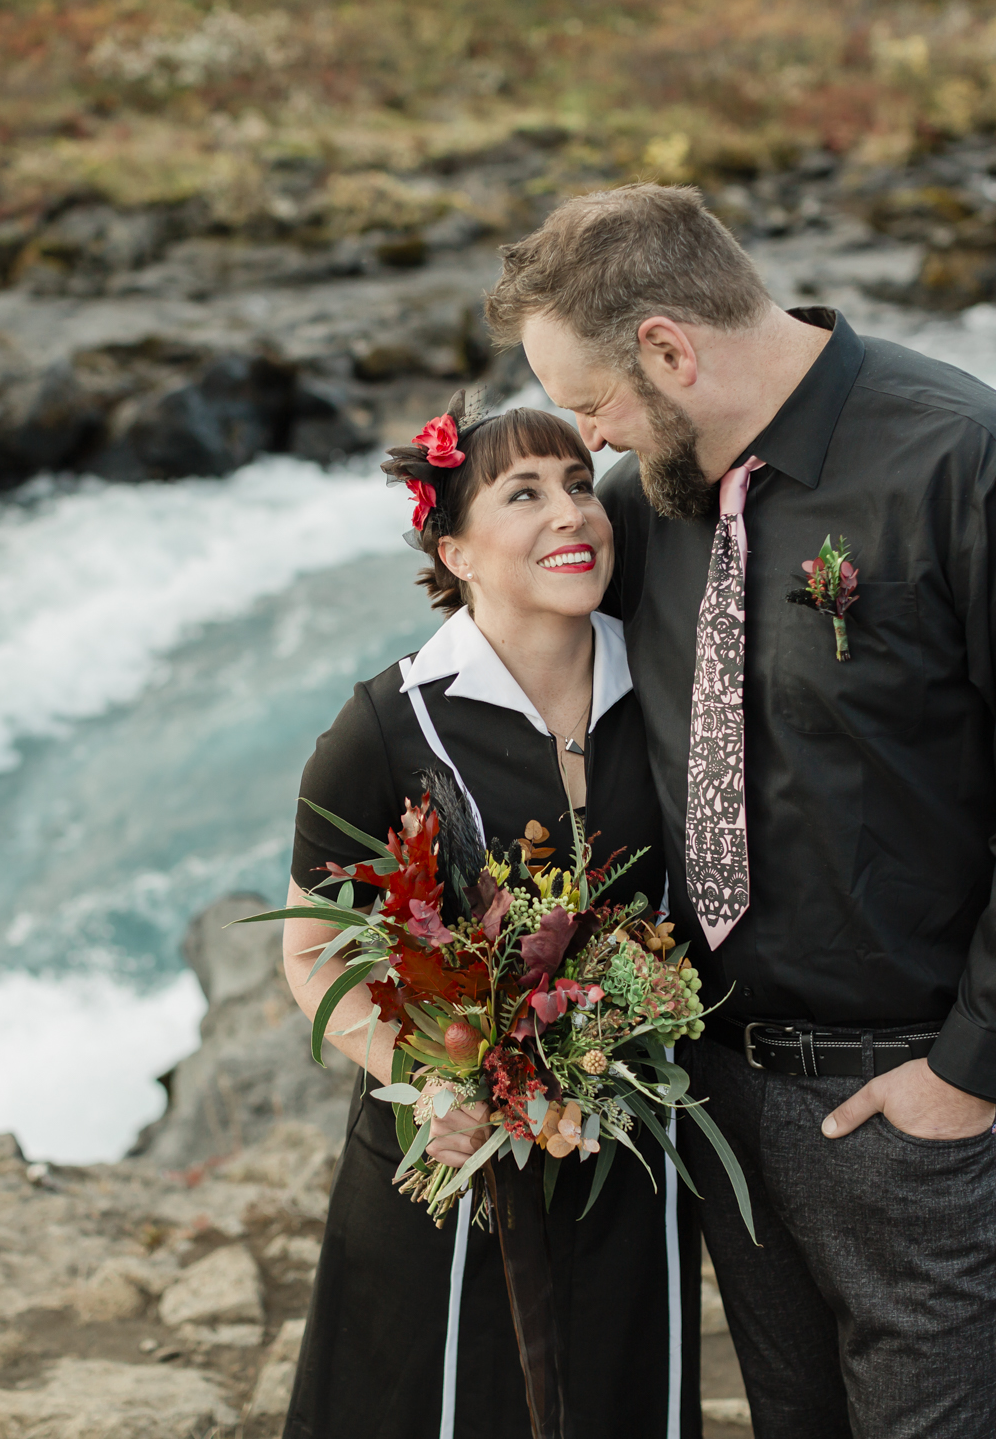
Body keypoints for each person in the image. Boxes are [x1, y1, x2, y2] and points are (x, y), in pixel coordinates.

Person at [485, 185, 996, 1438]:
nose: (598, 445)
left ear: (671, 350)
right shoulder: (645, 504)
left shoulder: (974, 463)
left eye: (595, 406)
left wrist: (973, 1071)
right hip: (720, 1094)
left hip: (911, 1099)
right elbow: (532, 671)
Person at [279, 393, 702, 1439]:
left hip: (628, 1160)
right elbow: (308, 955)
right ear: (455, 549)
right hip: (445, 1170)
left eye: (576, 484)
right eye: (524, 494)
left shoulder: (669, 678)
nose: (573, 513)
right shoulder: (386, 723)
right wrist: (429, 1084)